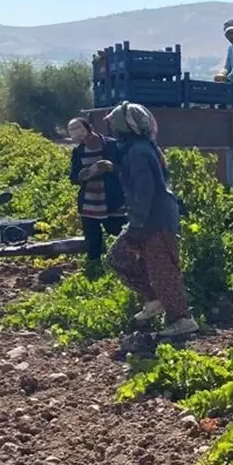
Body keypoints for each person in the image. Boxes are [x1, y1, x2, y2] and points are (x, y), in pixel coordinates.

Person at [103, 102, 198, 338]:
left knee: (164, 271)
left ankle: (182, 319)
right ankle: (154, 298)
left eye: (114, 123)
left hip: (154, 221)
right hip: (149, 219)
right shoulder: (138, 148)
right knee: (118, 257)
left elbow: (144, 190)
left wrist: (136, 226)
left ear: (125, 126)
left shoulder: (138, 151)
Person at [66, 116, 126, 267]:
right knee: (93, 242)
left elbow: (127, 171)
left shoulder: (111, 146)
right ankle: (94, 269)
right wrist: (83, 175)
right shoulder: (78, 151)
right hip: (89, 203)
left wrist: (112, 168)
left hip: (112, 200)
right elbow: (74, 177)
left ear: (89, 127)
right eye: (72, 131)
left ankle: (121, 268)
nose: (78, 134)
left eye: (79, 128)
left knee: (118, 237)